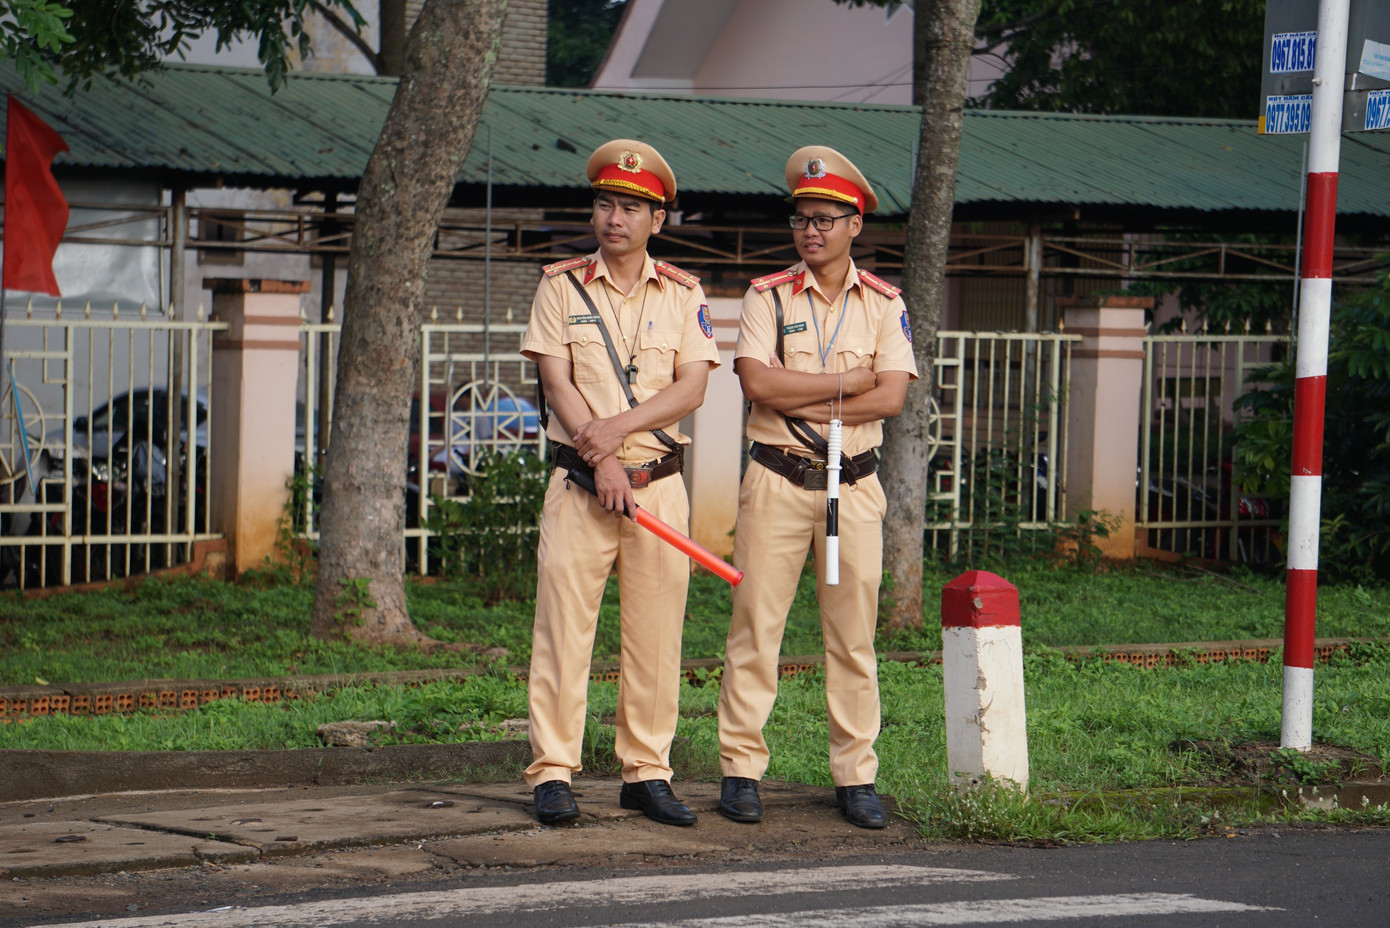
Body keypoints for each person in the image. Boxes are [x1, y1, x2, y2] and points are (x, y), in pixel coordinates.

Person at [716, 146, 918, 829]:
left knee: (853, 637)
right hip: (777, 480)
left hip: (853, 488)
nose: (811, 231)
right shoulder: (767, 296)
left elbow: (890, 399)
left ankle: (855, 776)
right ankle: (741, 769)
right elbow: (757, 384)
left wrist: (802, 397)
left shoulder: (885, 305)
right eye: (802, 218)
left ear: (855, 224)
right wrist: (845, 383)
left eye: (826, 219)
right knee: (755, 629)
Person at [520, 139, 719, 827]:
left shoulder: (685, 294)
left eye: (632, 207)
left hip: (658, 487)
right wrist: (599, 457)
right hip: (581, 486)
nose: (615, 218)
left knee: (657, 637)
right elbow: (556, 380)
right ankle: (552, 770)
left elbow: (691, 386)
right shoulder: (560, 285)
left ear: (657, 220)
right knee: (564, 630)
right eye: (605, 203)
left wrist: (621, 432)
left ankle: (647, 771)